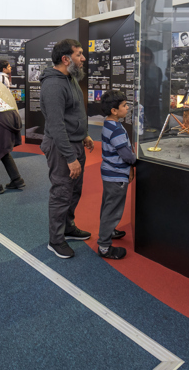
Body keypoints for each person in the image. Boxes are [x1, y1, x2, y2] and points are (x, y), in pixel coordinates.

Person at [40, 38, 94, 259]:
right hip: (62, 147)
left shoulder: (70, 78)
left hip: (75, 142)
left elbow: (74, 113)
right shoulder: (53, 85)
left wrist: (84, 134)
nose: (83, 58)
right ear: (65, 59)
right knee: (62, 192)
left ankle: (68, 227)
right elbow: (56, 125)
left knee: (74, 190)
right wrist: (70, 158)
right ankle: (56, 240)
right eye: (79, 54)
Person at [97, 90, 136, 260]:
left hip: (109, 172)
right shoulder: (116, 130)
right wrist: (135, 162)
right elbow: (126, 155)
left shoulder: (109, 124)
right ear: (114, 110)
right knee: (112, 210)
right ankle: (104, 246)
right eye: (124, 105)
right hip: (116, 175)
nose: (127, 108)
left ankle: (109, 231)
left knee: (108, 205)